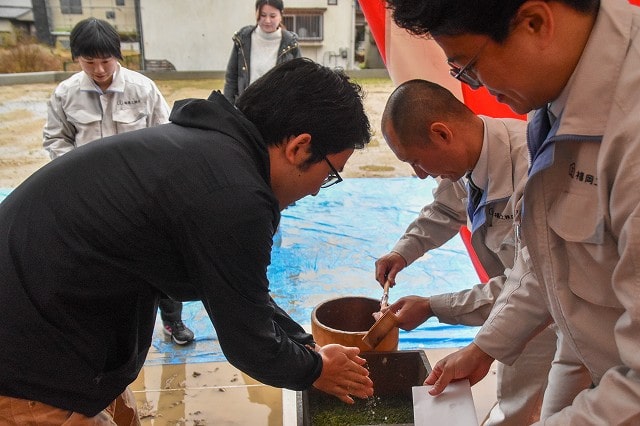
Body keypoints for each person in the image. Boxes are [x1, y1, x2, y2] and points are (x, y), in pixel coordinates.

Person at [0, 57, 374, 423]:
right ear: (299, 147)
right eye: (328, 175)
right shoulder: (233, 193)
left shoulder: (209, 155)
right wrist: (314, 370)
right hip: (32, 367)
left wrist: (305, 345)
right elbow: (250, 345)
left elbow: (240, 293)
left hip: (66, 336)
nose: (314, 194)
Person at [386, 0, 640, 423]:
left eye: (469, 67)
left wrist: (436, 307)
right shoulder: (554, 105)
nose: (478, 88)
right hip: (584, 344)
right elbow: (544, 263)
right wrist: (483, 348)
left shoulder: (626, 130)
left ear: (534, 23)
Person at [375, 79, 557, 425]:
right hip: (528, 302)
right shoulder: (468, 157)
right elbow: (445, 209)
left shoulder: (532, 171)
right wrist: (403, 251)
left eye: (416, 161)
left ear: (442, 134)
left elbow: (529, 284)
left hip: (552, 314)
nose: (419, 175)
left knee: (524, 408)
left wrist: (433, 307)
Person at [42, 17, 194, 346]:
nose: (99, 70)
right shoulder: (65, 94)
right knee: (101, 265)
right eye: (89, 62)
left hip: (142, 196)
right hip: (90, 199)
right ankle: (110, 332)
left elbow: (166, 135)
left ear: (118, 56)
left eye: (106, 61)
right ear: (76, 59)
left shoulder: (143, 89)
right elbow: (56, 141)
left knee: (161, 257)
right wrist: (77, 175)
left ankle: (172, 322)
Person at [223, 0, 302, 105]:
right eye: (263, 15)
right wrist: (229, 107)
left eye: (273, 16)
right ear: (256, 13)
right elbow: (231, 78)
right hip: (244, 108)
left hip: (277, 110)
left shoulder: (291, 43)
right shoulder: (243, 39)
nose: (267, 20)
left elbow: (299, 80)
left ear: (281, 15)